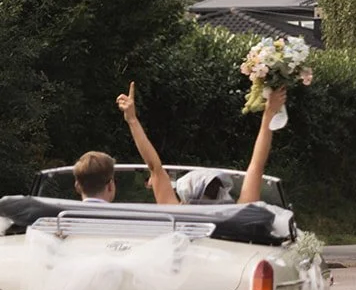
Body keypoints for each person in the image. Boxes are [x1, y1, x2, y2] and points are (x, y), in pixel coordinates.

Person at [115, 80, 287, 206]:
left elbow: (154, 166)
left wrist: (132, 119)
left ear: (184, 201)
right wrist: (269, 113)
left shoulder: (176, 219)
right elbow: (256, 165)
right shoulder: (239, 216)